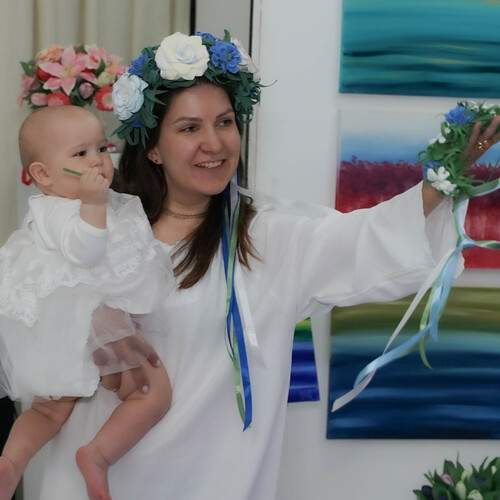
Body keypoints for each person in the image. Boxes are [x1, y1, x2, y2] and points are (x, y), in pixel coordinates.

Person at [36, 31, 500, 500]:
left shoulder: (267, 238)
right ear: (153, 147)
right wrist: (88, 318)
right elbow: (30, 314)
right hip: (94, 480)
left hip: (214, 480)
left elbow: (365, 239)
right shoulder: (95, 229)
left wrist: (442, 180)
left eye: (225, 122)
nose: (214, 143)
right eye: (189, 128)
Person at [0, 106, 173, 500]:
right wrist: (94, 205)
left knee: (49, 410)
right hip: (81, 324)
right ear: (43, 174)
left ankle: (10, 463)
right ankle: (98, 454)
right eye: (80, 154)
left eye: (102, 148)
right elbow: (87, 252)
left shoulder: (54, 207)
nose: (97, 160)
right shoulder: (61, 211)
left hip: (61, 327)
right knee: (152, 392)